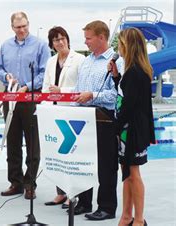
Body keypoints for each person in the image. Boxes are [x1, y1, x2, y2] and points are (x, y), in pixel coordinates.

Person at [0, 11, 50, 199]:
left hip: (31, 99)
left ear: (28, 24)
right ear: (12, 27)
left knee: (33, 143)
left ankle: (30, 183)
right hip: (10, 98)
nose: (22, 30)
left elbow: (45, 73)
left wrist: (27, 87)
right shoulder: (5, 46)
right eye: (18, 27)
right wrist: (6, 76)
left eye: (24, 26)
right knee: (13, 142)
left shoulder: (41, 45)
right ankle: (15, 182)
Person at [72, 20, 123, 220]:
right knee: (84, 162)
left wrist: (92, 95)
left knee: (106, 165)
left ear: (102, 37)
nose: (85, 42)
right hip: (84, 117)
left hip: (105, 118)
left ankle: (107, 207)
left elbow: (115, 95)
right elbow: (79, 91)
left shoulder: (116, 62)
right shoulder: (86, 61)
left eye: (88, 38)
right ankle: (84, 202)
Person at [109, 28, 154, 226]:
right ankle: (126, 216)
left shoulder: (136, 72)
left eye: (120, 43)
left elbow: (129, 106)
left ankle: (139, 219)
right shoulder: (132, 70)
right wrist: (117, 77)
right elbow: (127, 95)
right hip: (127, 129)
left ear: (127, 46)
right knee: (126, 172)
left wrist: (116, 127)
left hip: (132, 131)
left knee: (133, 174)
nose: (118, 47)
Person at [42, 26, 85, 207]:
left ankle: (72, 194)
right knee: (58, 156)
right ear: (52, 44)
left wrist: (62, 91)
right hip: (54, 113)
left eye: (62, 38)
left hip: (72, 113)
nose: (60, 42)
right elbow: (46, 87)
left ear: (67, 39)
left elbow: (81, 87)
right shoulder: (51, 61)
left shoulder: (80, 60)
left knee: (71, 156)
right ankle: (60, 192)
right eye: (56, 40)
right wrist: (43, 109)